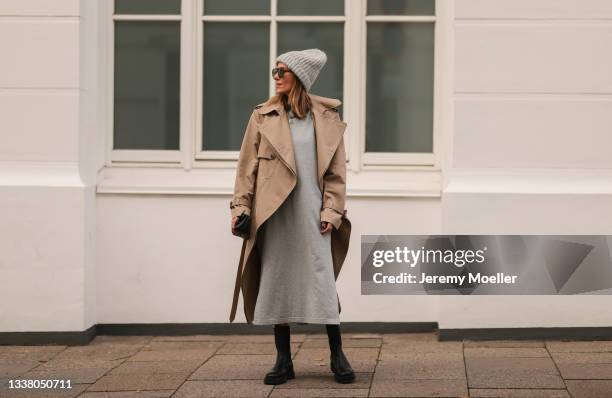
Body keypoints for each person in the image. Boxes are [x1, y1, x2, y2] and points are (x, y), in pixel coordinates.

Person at [230, 48, 355, 385]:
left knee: (322, 281)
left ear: (299, 77)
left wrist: (331, 210)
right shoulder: (262, 116)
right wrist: (240, 208)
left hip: (313, 213)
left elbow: (336, 172)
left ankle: (337, 354)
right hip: (273, 213)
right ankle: (283, 361)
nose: (276, 76)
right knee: (277, 280)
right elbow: (246, 169)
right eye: (275, 69)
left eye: (283, 70)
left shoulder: (325, 118)